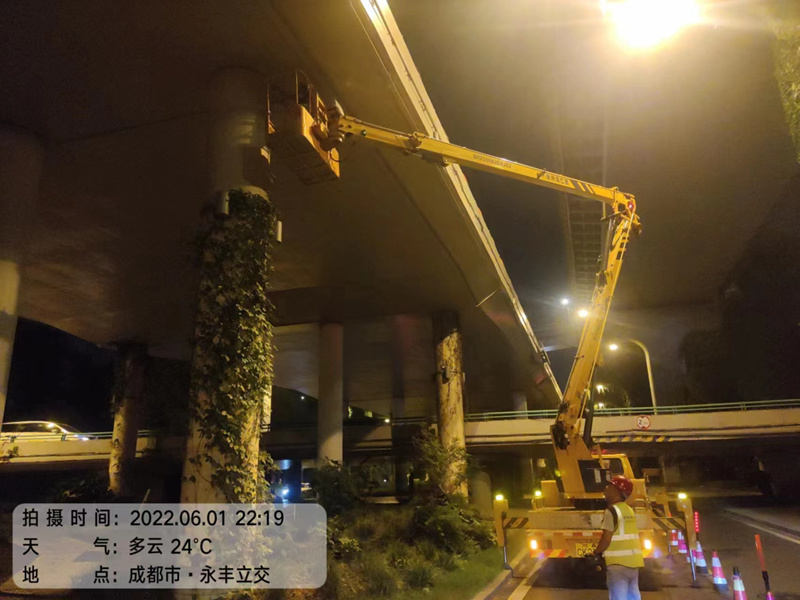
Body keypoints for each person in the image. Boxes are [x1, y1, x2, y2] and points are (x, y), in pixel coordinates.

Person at [593, 475, 644, 600]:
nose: (606, 488)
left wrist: (596, 552)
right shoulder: (629, 510)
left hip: (618, 564)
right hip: (634, 563)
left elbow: (606, 537)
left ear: (617, 491)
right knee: (633, 596)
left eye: (609, 486)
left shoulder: (611, 511)